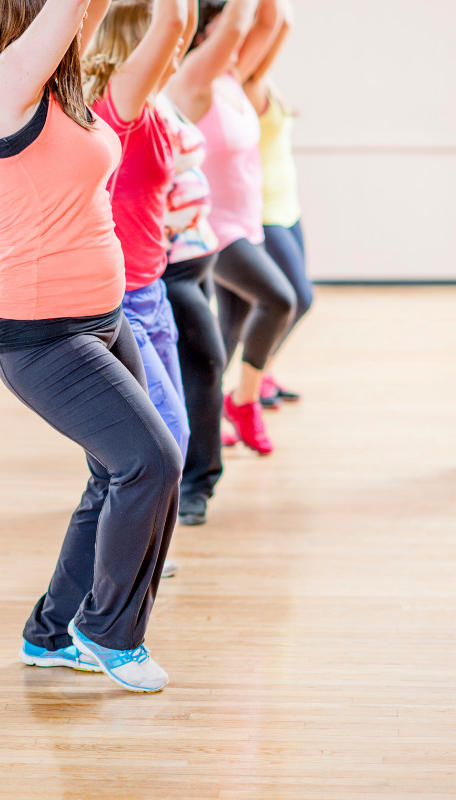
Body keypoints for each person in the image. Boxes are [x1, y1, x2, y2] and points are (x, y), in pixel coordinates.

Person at [0, 0, 181, 693]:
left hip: (102, 319)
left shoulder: (59, 90)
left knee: (114, 473)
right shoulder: (10, 81)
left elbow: (90, 7)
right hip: (39, 334)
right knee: (151, 462)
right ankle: (109, 632)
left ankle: (50, 633)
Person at [161, 0, 258, 525]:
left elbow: (264, 25)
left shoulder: (198, 83)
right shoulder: (177, 81)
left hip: (198, 257)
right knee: (201, 364)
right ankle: (191, 483)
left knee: (199, 364)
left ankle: (191, 479)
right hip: (169, 265)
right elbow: (230, 23)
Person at [184, 0, 295, 455]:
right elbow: (237, 25)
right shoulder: (194, 81)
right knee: (280, 299)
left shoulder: (233, 75)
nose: (238, 35)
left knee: (230, 330)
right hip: (214, 229)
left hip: (247, 223)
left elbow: (275, 20)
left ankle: (199, 418)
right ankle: (243, 401)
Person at [82, 0, 192, 460]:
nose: (180, 47)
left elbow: (179, 26)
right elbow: (174, 23)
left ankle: (132, 530)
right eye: (166, 43)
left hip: (152, 291)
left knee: (167, 451)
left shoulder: (149, 105)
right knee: (164, 444)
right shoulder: (118, 104)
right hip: (123, 304)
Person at [241, 0, 309, 409]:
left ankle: (261, 373)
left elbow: (281, 23)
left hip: (288, 206)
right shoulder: (246, 82)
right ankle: (248, 386)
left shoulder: (263, 82)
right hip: (266, 213)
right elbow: (279, 22)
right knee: (298, 297)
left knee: (294, 300)